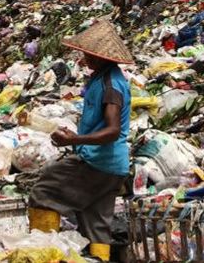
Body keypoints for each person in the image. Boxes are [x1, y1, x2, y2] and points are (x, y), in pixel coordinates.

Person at [28, 19, 133, 262]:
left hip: (98, 162)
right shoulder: (104, 78)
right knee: (95, 223)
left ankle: (42, 255)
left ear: (102, 56)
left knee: (44, 191)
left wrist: (76, 139)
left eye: (88, 54)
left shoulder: (111, 85)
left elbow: (112, 129)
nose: (85, 58)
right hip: (113, 167)